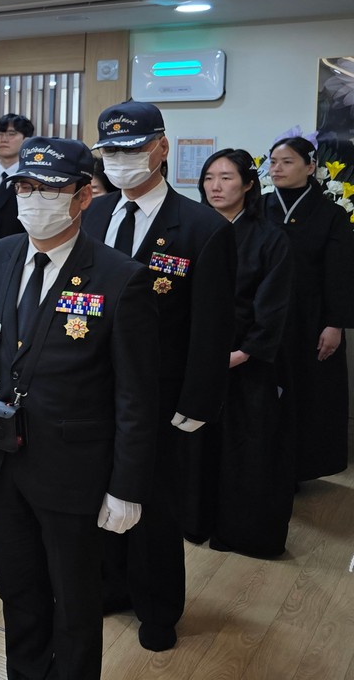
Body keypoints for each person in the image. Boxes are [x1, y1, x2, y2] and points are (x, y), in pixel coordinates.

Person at [0, 137, 158, 680]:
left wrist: (127, 486)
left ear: (83, 196)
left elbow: (136, 395)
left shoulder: (119, 277)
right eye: (24, 187)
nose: (33, 199)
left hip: (72, 468)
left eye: (49, 190)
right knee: (17, 587)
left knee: (74, 599)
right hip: (0, 458)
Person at [82, 101, 236, 653]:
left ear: (162, 148)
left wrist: (197, 401)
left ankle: (158, 607)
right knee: (99, 495)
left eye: (132, 149)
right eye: (111, 151)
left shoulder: (201, 227)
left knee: (155, 507)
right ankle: (112, 585)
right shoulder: (92, 213)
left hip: (161, 396)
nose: (120, 160)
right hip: (93, 389)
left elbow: (212, 327)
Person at [189, 148, 295, 557]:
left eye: (226, 177)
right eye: (209, 177)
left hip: (246, 361)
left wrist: (243, 352)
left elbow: (273, 306)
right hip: (196, 358)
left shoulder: (270, 237)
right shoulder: (193, 229)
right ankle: (193, 521)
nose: (215, 186)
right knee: (194, 445)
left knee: (245, 448)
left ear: (249, 184)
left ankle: (241, 533)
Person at [265, 135, 354, 481]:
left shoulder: (331, 213)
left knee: (309, 392)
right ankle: (267, 465)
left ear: (310, 167)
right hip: (267, 315)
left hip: (312, 317)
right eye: (273, 162)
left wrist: (335, 323)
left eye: (287, 162)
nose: (277, 169)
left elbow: (341, 274)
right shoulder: (259, 205)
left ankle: (302, 468)